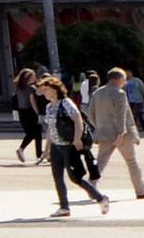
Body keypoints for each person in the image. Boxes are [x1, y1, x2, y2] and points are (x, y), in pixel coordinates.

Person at [38, 75, 110, 217]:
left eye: (46, 89)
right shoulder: (49, 107)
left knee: (75, 177)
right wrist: (47, 149)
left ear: (54, 89)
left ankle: (100, 198)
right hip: (56, 146)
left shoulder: (66, 103)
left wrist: (77, 139)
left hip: (68, 146)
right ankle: (64, 206)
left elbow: (78, 120)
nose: (44, 92)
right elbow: (50, 129)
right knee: (57, 177)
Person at [87, 65, 144, 198]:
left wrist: (99, 126)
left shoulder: (97, 93)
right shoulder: (119, 93)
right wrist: (120, 133)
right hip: (122, 134)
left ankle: (91, 187)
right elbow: (121, 115)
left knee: (100, 162)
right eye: (123, 80)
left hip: (104, 133)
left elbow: (90, 114)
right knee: (132, 162)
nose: (124, 83)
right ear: (118, 79)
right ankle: (141, 190)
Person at [13, 68, 45, 163]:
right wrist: (38, 113)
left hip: (22, 112)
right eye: (33, 76)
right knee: (37, 133)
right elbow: (32, 101)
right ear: (28, 77)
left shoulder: (18, 88)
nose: (35, 78)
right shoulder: (31, 88)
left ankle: (23, 149)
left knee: (30, 133)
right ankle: (37, 153)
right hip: (31, 112)